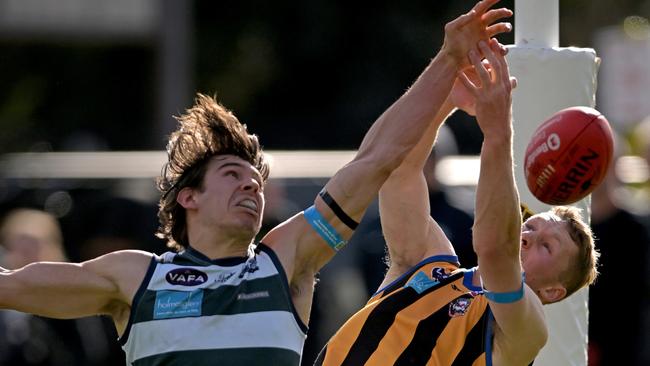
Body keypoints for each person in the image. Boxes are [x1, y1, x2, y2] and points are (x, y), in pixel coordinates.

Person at [0, 1, 513, 364]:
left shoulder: (284, 259)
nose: (251, 187)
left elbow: (378, 159)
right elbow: (10, 288)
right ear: (188, 197)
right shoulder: (136, 279)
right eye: (232, 175)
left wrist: (447, 63)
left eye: (255, 180)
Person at [315, 39, 600, 366]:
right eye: (531, 226)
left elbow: (496, 250)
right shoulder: (429, 263)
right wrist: (445, 98)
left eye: (546, 246)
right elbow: (401, 171)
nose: (528, 236)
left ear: (552, 291)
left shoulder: (527, 328)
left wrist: (497, 133)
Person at [0, 208, 123, 366]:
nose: (23, 255)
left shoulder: (74, 297)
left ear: (52, 250)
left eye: (31, 247)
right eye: (16, 247)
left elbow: (89, 352)